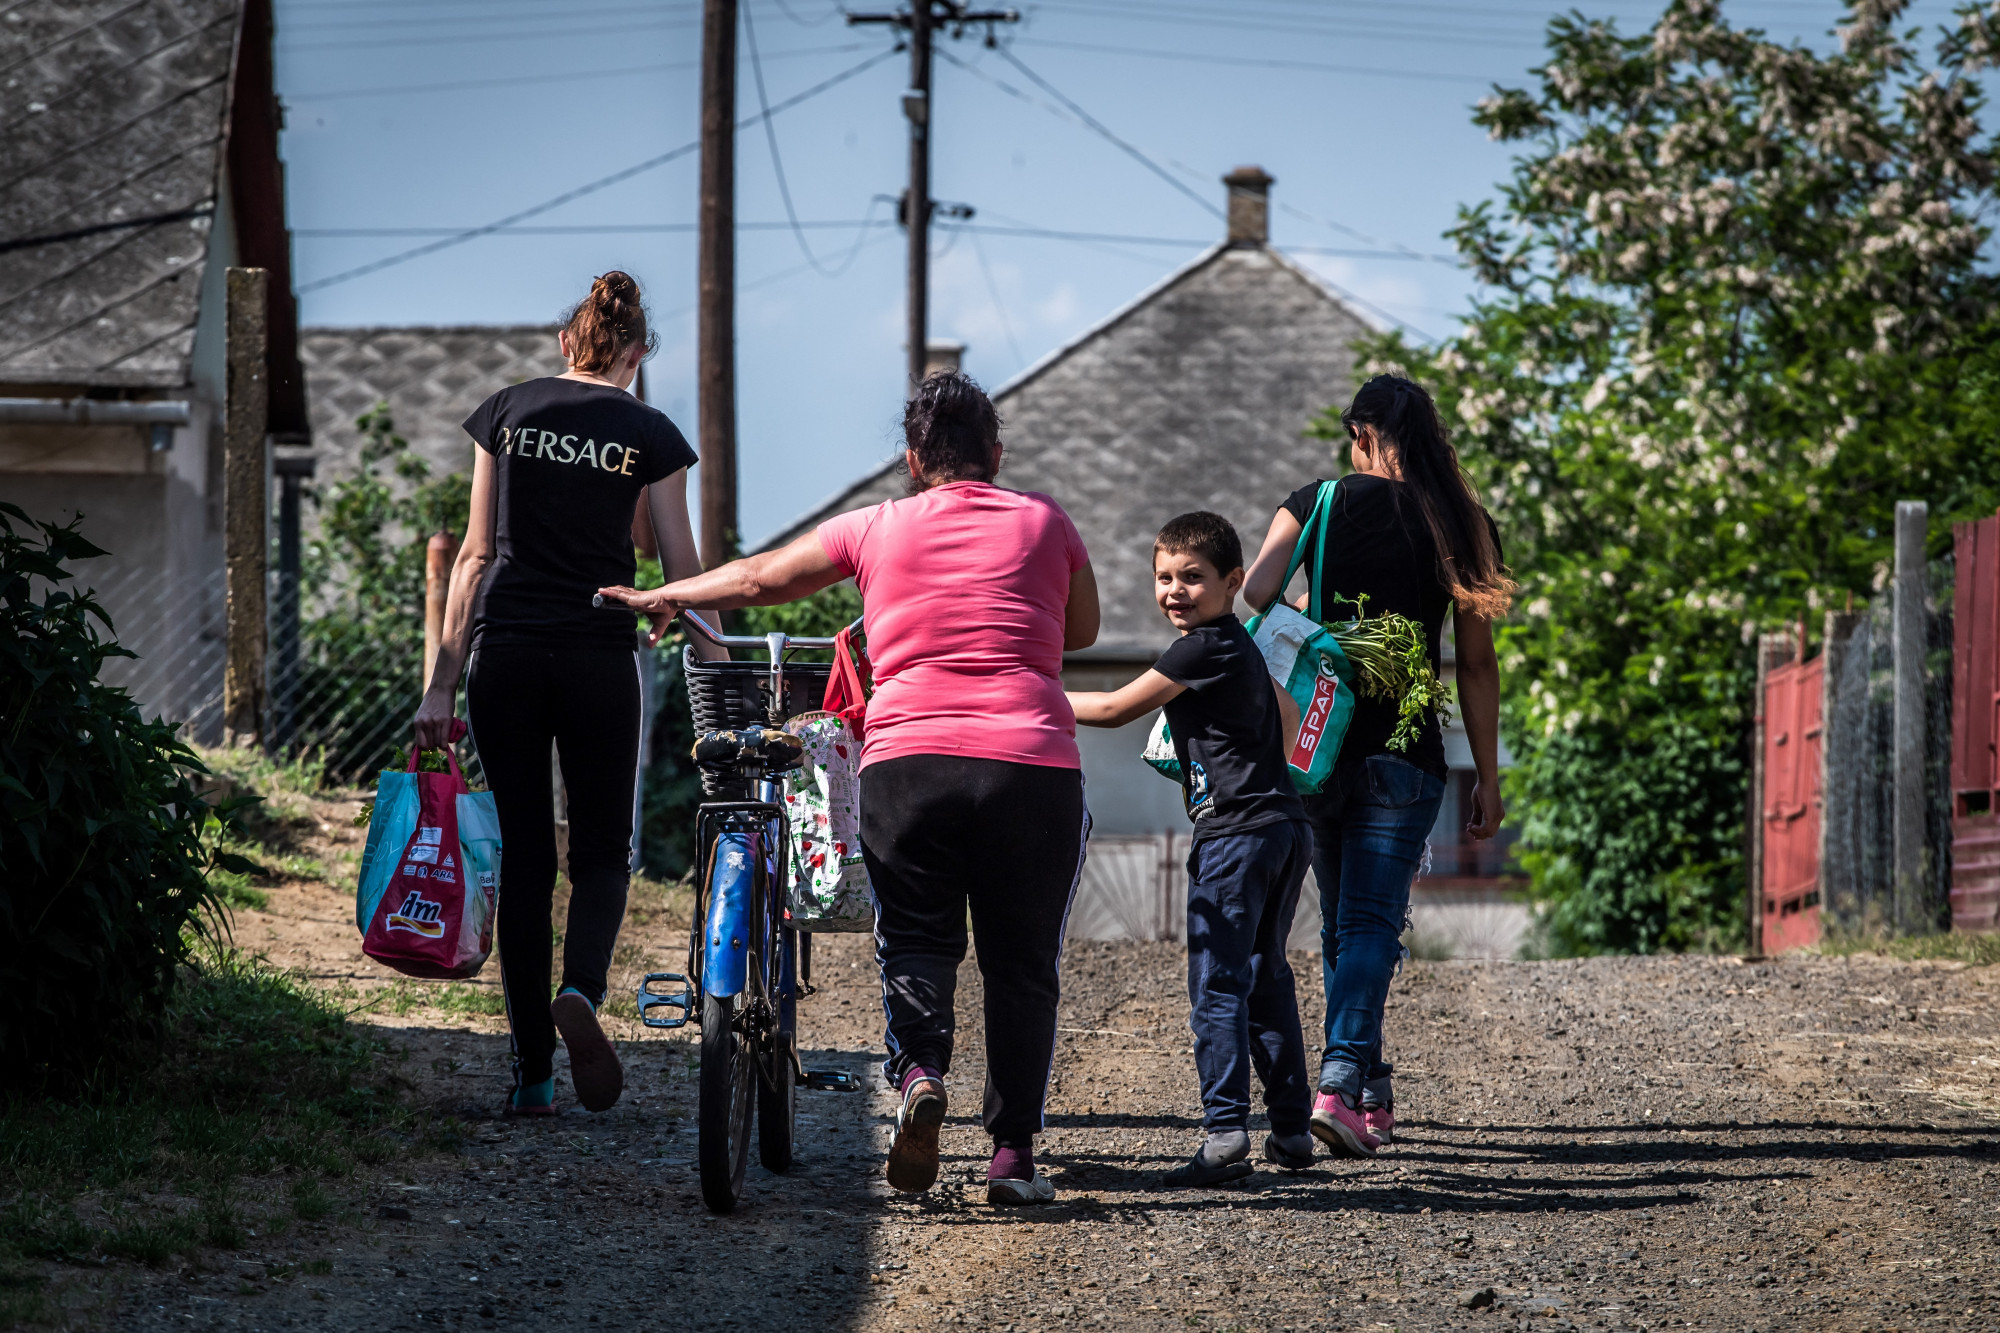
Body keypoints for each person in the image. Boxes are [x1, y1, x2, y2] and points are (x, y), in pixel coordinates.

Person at [595, 371, 1099, 1206]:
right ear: (997, 455)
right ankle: (1011, 1158)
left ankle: (919, 1077)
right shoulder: (1047, 520)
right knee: (1021, 964)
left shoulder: (875, 527)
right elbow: (1080, 630)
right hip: (1032, 765)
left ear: (911, 460)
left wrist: (666, 591)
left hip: (911, 760)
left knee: (915, 942)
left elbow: (758, 580)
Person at [413, 272, 711, 1118]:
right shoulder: (649, 431)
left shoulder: (505, 411)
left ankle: (533, 1074)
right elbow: (680, 567)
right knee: (603, 849)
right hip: (596, 654)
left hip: (503, 651)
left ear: (564, 343)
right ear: (637, 354)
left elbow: (473, 556)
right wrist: (714, 650)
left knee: (526, 861)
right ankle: (579, 988)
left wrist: (441, 685)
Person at [1242, 373, 1512, 1157]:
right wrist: (1487, 776)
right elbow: (1476, 665)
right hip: (1408, 749)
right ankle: (1344, 1083)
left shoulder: (1316, 502)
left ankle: (1363, 1083)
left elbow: (1257, 592)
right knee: (1367, 923)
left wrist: (1321, 634)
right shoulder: (1459, 520)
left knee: (1342, 924)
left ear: (1360, 434)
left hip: (1321, 742)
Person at [1068, 512, 1317, 1186]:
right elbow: (1290, 718)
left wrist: (1026, 698)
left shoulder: (1201, 646)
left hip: (1235, 835)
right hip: (1284, 825)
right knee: (1266, 975)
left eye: (1193, 577)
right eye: (1163, 577)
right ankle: (1291, 1130)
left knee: (1216, 981)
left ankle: (1225, 1129)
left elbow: (1118, 708)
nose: (1175, 590)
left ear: (1233, 581)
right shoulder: (1239, 645)